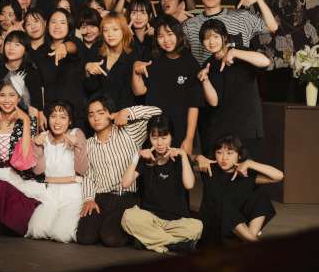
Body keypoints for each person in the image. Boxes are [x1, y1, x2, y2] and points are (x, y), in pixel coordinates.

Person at [77, 96, 161, 247]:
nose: (96, 118)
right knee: (85, 237)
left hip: (127, 198)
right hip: (101, 198)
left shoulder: (129, 132)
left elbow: (157, 111)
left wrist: (127, 112)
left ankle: (131, 229)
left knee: (110, 238)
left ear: (110, 113)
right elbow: (88, 176)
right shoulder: (88, 145)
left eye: (101, 113)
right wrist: (89, 199)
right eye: (91, 115)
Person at [120, 115, 203, 254]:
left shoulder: (180, 158)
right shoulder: (146, 159)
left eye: (164, 138)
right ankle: (174, 245)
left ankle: (150, 241)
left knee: (197, 226)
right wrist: (137, 156)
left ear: (171, 137)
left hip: (176, 222)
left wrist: (183, 155)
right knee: (128, 217)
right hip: (151, 219)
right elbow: (125, 183)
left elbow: (189, 185)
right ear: (149, 138)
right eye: (154, 138)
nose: (159, 143)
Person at [197, 19, 271, 159]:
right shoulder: (208, 65)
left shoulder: (241, 52)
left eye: (215, 36)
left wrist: (235, 53)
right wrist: (205, 80)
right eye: (206, 39)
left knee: (247, 169)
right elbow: (214, 102)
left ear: (224, 37)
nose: (211, 42)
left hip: (247, 127)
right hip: (221, 130)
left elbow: (265, 61)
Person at [131, 15, 202, 153]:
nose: (166, 40)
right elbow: (139, 91)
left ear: (178, 34)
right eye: (160, 36)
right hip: (155, 131)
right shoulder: (152, 59)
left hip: (181, 129)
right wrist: (135, 71)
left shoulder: (190, 63)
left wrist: (189, 139)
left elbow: (194, 105)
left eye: (170, 34)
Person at [0, 78, 38, 236]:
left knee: (2, 188)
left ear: (19, 98)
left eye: (12, 95)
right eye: (2, 95)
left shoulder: (29, 120)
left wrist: (25, 120)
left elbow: (25, 158)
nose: (7, 100)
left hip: (18, 177)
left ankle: (4, 223)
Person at [195, 135, 283, 244]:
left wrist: (250, 163)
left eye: (230, 153)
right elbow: (184, 163)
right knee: (224, 203)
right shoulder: (209, 169)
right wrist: (198, 157)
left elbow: (278, 176)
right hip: (214, 227)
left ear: (239, 156)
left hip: (237, 228)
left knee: (260, 194)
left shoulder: (245, 173)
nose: (224, 158)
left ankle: (249, 238)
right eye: (219, 152)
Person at [183, 0, 278, 65]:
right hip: (207, 74)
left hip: (240, 73)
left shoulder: (242, 16)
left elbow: (273, 27)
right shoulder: (189, 25)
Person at [26, 100, 88, 242]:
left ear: (70, 121)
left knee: (61, 234)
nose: (57, 121)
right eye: (53, 116)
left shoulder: (76, 133)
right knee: (37, 230)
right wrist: (37, 147)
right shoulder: (43, 136)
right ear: (48, 119)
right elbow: (38, 171)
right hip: (50, 192)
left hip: (72, 193)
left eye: (63, 117)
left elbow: (82, 169)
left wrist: (77, 145)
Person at [0, 30, 44, 128]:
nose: (11, 48)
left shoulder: (31, 72)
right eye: (8, 43)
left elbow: (33, 108)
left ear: (25, 50)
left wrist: (32, 132)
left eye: (17, 45)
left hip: (21, 123)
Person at [36, 9, 86, 128]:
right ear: (47, 25)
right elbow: (39, 86)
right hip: (51, 116)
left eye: (62, 22)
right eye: (53, 22)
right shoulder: (41, 52)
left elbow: (73, 47)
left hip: (75, 115)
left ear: (69, 26)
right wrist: (40, 111)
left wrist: (64, 47)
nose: (57, 26)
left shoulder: (76, 43)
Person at [84, 12, 137, 110]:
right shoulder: (96, 50)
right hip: (99, 113)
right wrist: (87, 71)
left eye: (115, 29)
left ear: (124, 31)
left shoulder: (133, 55)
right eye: (105, 30)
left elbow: (131, 94)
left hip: (124, 113)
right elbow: (90, 88)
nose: (110, 34)